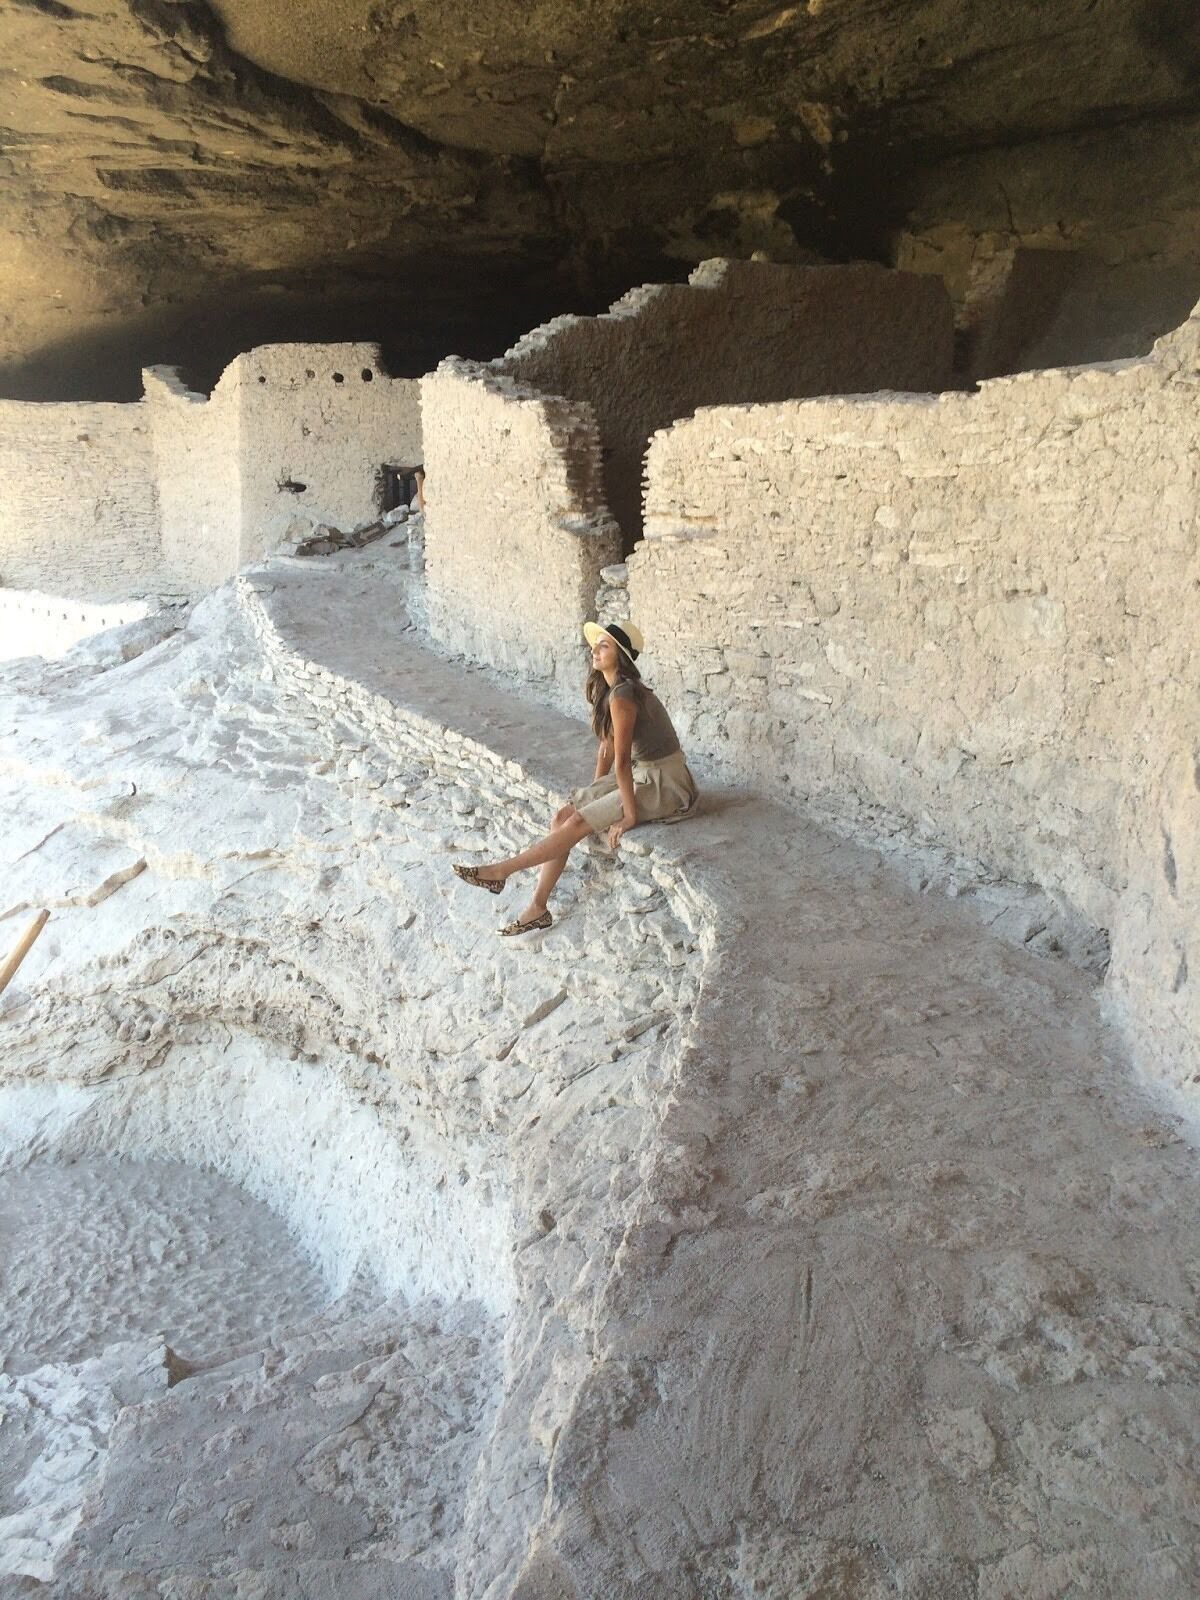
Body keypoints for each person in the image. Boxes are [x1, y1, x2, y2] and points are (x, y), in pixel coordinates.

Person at [452, 620, 698, 935]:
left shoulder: (624, 695)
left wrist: (629, 815)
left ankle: (500, 871)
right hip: (640, 770)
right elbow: (607, 750)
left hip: (664, 779)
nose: (595, 650)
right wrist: (595, 790)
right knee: (563, 816)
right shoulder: (611, 691)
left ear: (620, 656)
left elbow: (622, 761)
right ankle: (538, 908)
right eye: (596, 644)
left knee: (578, 822)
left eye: (604, 646)